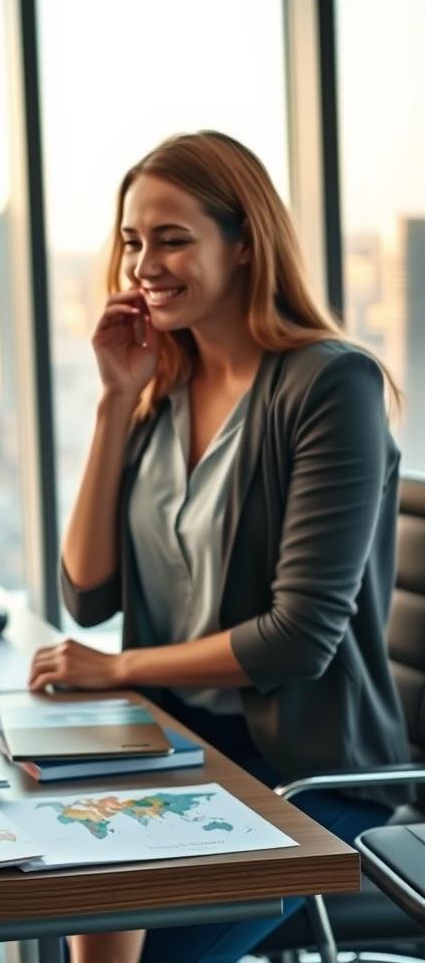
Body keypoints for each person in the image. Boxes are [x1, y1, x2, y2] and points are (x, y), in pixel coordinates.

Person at [28, 131, 409, 963]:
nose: (143, 266)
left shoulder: (329, 386)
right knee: (49, 891)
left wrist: (116, 669)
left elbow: (299, 638)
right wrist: (113, 402)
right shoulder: (163, 387)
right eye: (132, 241)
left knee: (150, 948)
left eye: (172, 239)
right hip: (178, 751)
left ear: (244, 245)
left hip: (306, 773)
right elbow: (88, 594)